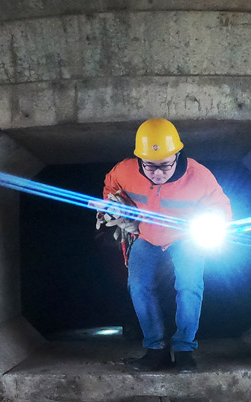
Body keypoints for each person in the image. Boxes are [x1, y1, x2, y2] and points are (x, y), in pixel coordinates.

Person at [99, 119, 231, 370]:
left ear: (177, 155)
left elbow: (221, 207)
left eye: (165, 165)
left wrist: (212, 222)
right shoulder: (125, 170)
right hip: (146, 236)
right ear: (139, 159)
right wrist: (114, 207)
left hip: (186, 237)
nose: (158, 173)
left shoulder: (200, 176)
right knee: (138, 285)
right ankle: (155, 349)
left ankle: (184, 351)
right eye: (150, 166)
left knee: (189, 287)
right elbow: (110, 186)